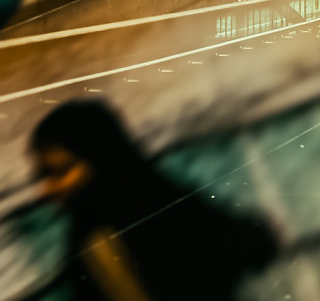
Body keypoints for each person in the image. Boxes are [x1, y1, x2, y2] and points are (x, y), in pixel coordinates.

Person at [30, 100, 276, 300]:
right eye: (42, 176)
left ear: (100, 160)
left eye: (59, 172)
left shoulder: (98, 239)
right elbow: (258, 242)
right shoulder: (162, 198)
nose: (46, 190)